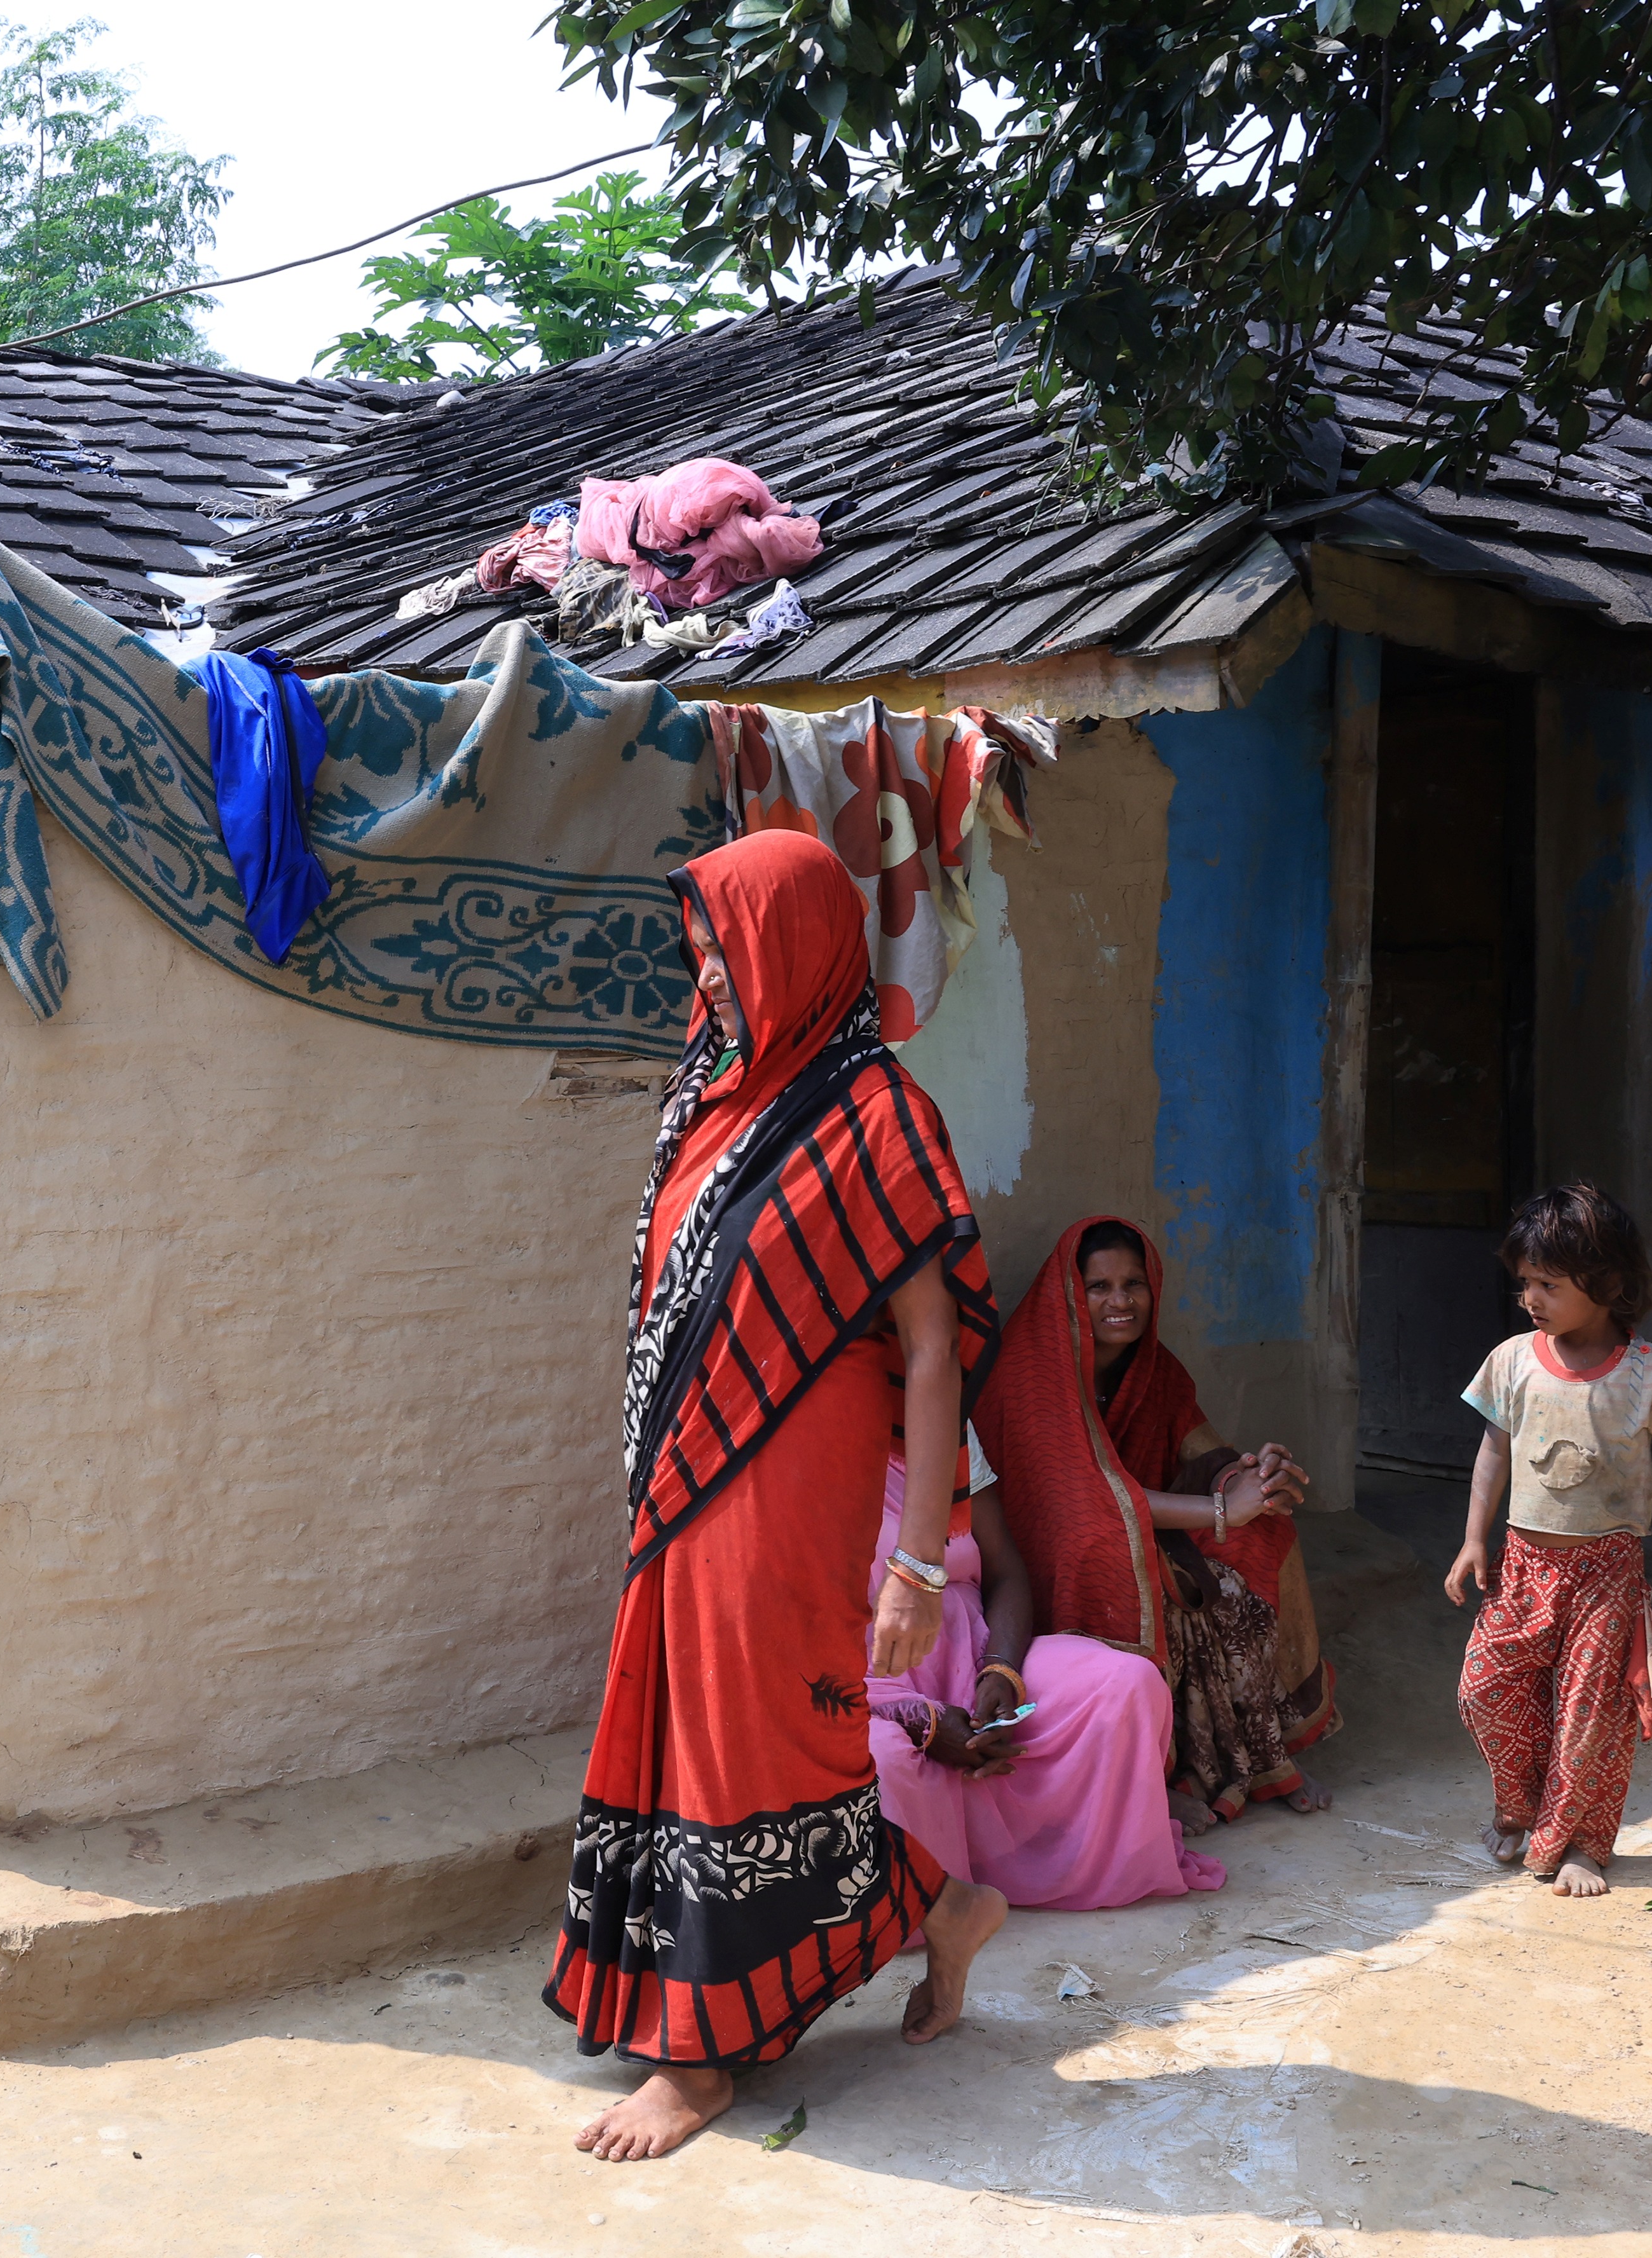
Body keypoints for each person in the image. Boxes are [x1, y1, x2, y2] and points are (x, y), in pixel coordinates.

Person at [545, 829, 1011, 2165]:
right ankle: (936, 1905)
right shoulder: (709, 1102)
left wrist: (918, 1566)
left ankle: (703, 2063)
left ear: (799, 947)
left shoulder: (878, 1114)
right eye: (700, 947)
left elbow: (933, 1347)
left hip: (791, 1489)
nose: (710, 972)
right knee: (704, 1724)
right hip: (686, 1483)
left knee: (747, 1746)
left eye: (728, 946)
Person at [974, 1216, 1337, 1833]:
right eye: (1099, 1287)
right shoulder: (1033, 1375)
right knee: (1109, 1552)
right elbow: (1086, 1502)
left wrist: (1252, 1481)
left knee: (1263, 1535)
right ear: (1070, 1295)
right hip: (1051, 1549)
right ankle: (1150, 1775)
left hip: (1135, 1523)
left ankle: (1258, 1757)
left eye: (1134, 1283)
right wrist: (1224, 1511)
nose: (1121, 1301)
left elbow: (1201, 1454)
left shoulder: (1155, 1370)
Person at [1446, 1182, 1652, 1898]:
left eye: (1549, 1284)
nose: (1531, 1296)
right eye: (1526, 1281)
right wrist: (1475, 1539)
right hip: (1524, 1564)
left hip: (1606, 1571)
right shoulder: (1512, 1360)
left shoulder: (1649, 1371)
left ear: (1609, 1283)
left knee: (1591, 1714)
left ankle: (1582, 1843)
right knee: (1486, 1689)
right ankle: (1520, 1805)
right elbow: (1493, 1453)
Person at [865, 1433, 1230, 1909]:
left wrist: (1000, 1670)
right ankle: (941, 1901)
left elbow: (1006, 1573)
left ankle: (1078, 1861)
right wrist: (920, 1719)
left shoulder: (947, 1431)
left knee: (1126, 1685)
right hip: (864, 1691)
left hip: (974, 1653)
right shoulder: (790, 1457)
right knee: (884, 1758)